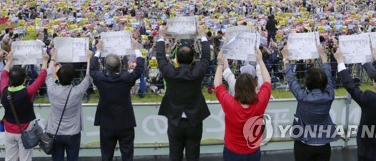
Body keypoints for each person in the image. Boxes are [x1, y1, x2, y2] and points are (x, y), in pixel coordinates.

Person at [156, 26, 211, 161]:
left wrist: (161, 37)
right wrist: (203, 36)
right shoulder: (197, 73)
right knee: (193, 156)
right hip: (194, 123)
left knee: (175, 156)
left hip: (175, 122)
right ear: (193, 60)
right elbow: (205, 57)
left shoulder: (170, 73)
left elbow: (160, 57)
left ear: (176, 59)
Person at [89, 38, 145, 161]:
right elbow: (140, 68)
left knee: (106, 156)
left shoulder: (100, 78)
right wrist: (136, 49)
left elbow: (92, 69)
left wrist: (97, 51)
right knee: (127, 155)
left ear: (105, 67)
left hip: (106, 123)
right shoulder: (126, 78)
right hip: (125, 123)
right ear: (120, 66)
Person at [282, 45, 339, 161]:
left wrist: (285, 59)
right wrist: (323, 57)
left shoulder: (303, 97)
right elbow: (328, 75)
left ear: (307, 83)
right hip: (323, 145)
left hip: (304, 144)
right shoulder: (329, 95)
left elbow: (291, 79)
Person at [214, 49, 271, 160]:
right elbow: (267, 81)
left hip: (232, 151)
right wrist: (260, 61)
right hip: (253, 151)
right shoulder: (260, 103)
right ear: (254, 86)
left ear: (236, 88)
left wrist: (220, 63)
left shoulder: (230, 104)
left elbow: (217, 84)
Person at [45, 48, 93, 161]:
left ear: (58, 76)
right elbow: (89, 77)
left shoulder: (52, 90)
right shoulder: (77, 91)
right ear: (72, 78)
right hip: (73, 133)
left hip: (54, 132)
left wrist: (52, 58)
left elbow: (48, 75)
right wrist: (89, 59)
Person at [0, 52, 47, 161]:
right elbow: (41, 78)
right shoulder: (27, 91)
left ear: (9, 80)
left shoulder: (4, 91)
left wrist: (9, 61)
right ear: (24, 80)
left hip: (9, 129)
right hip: (25, 130)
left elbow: (3, 75)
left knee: (10, 157)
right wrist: (44, 62)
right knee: (25, 158)